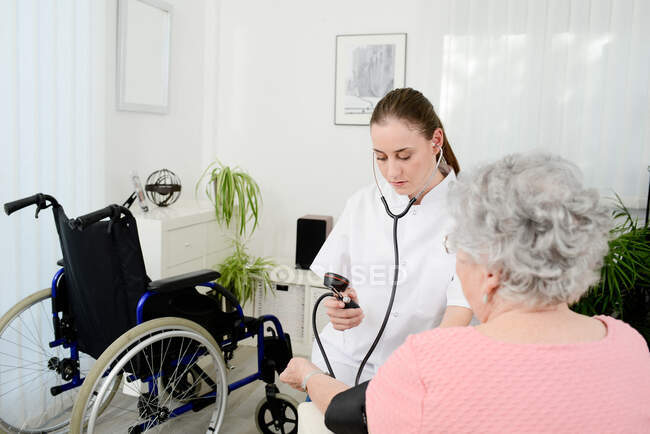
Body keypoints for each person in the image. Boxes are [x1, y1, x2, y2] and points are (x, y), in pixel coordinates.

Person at [281, 153, 650, 433]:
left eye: (459, 251)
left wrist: (308, 374)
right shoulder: (631, 347)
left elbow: (353, 416)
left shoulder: (429, 363)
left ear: (490, 272)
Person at [309, 88, 473, 386]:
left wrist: (417, 378)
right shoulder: (362, 203)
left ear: (436, 141)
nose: (391, 171)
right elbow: (338, 278)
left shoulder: (472, 213)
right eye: (381, 157)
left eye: (404, 156)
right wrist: (340, 307)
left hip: (417, 373)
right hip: (340, 365)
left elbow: (461, 309)